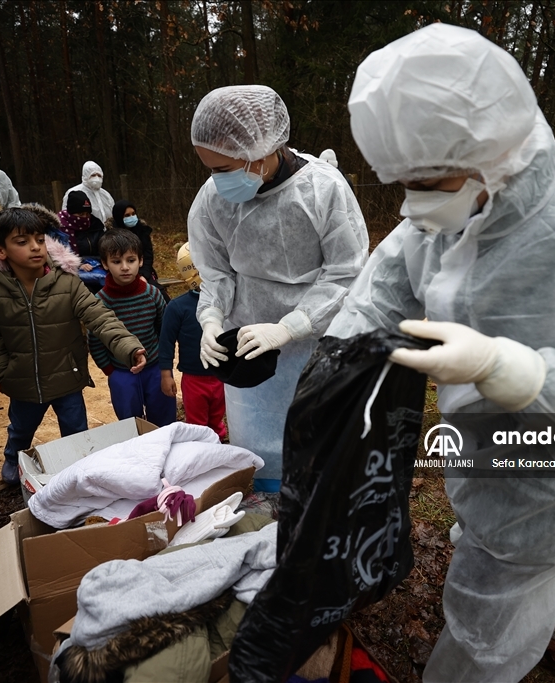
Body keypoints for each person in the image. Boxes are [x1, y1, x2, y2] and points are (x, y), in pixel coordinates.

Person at [329, 24, 555, 682]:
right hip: (477, 450)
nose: (415, 197)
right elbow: (378, 293)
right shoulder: (445, 211)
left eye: (431, 177)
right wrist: (332, 364)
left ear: (491, 147)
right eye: (407, 179)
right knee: (480, 538)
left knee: (493, 632)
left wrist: (502, 367)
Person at [188, 84, 369, 493]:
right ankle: (267, 495)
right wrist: (212, 318)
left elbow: (346, 272)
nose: (218, 180)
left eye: (226, 168)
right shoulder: (213, 199)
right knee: (256, 432)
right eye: (211, 169)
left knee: (318, 430)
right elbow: (214, 271)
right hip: (249, 344)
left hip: (318, 339)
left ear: (265, 148)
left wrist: (292, 325)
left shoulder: (323, 189)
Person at [0, 208, 146, 485]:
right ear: (0, 250)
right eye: (22, 241)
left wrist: (128, 346)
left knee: (76, 431)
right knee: (20, 429)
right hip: (23, 380)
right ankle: (14, 458)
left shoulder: (66, 282)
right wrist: (2, 370)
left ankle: (79, 470)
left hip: (67, 377)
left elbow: (99, 317)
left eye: (39, 239)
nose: (35, 247)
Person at [87, 229, 176, 426]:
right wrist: (110, 370)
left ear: (141, 261)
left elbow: (164, 331)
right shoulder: (100, 301)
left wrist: (165, 366)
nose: (125, 267)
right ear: (104, 264)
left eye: (131, 260)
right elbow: (95, 339)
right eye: (117, 262)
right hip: (122, 372)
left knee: (163, 420)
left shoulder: (152, 294)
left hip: (154, 367)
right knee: (130, 424)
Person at [158, 243, 227, 440]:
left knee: (217, 420)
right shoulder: (177, 307)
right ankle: (199, 456)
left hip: (221, 375)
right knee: (197, 426)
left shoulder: (226, 302)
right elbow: (166, 342)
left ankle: (219, 449)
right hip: (194, 379)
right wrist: (166, 374)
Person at [106, 200, 161, 292]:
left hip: (143, 271)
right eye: (127, 215)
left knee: (158, 292)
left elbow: (148, 255)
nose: (131, 217)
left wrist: (144, 275)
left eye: (133, 214)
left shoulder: (143, 231)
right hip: (121, 274)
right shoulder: (110, 236)